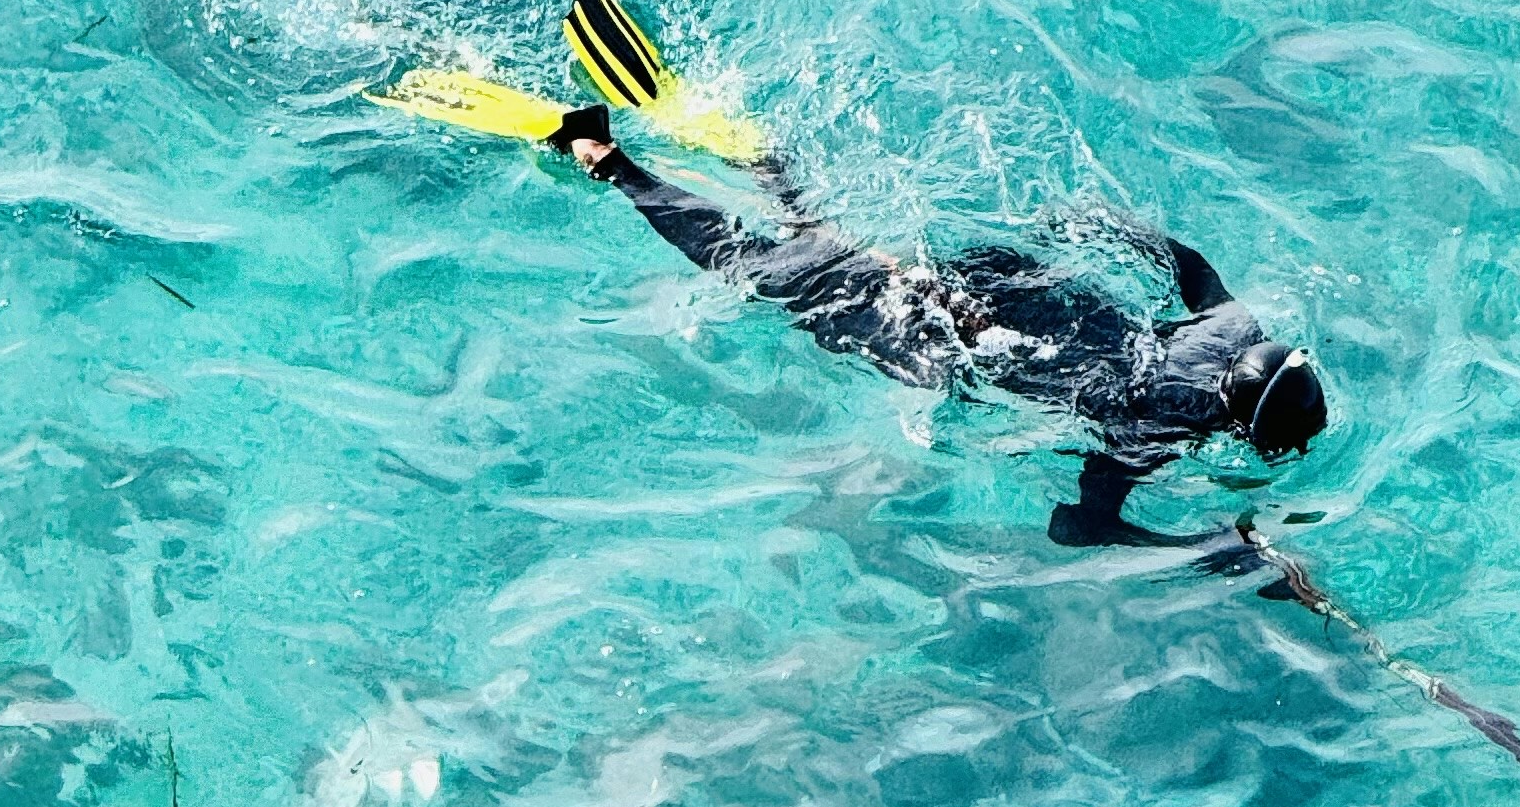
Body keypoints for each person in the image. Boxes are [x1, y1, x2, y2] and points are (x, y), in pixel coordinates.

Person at [548, 102, 1328, 548]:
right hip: (952, 332)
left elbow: (1186, 260)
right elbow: (1079, 526)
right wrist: (1208, 549)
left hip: (1011, 278)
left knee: (838, 244)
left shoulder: (1233, 328)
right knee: (758, 271)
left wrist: (1097, 226)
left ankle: (764, 162)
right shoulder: (1161, 428)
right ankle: (606, 159)